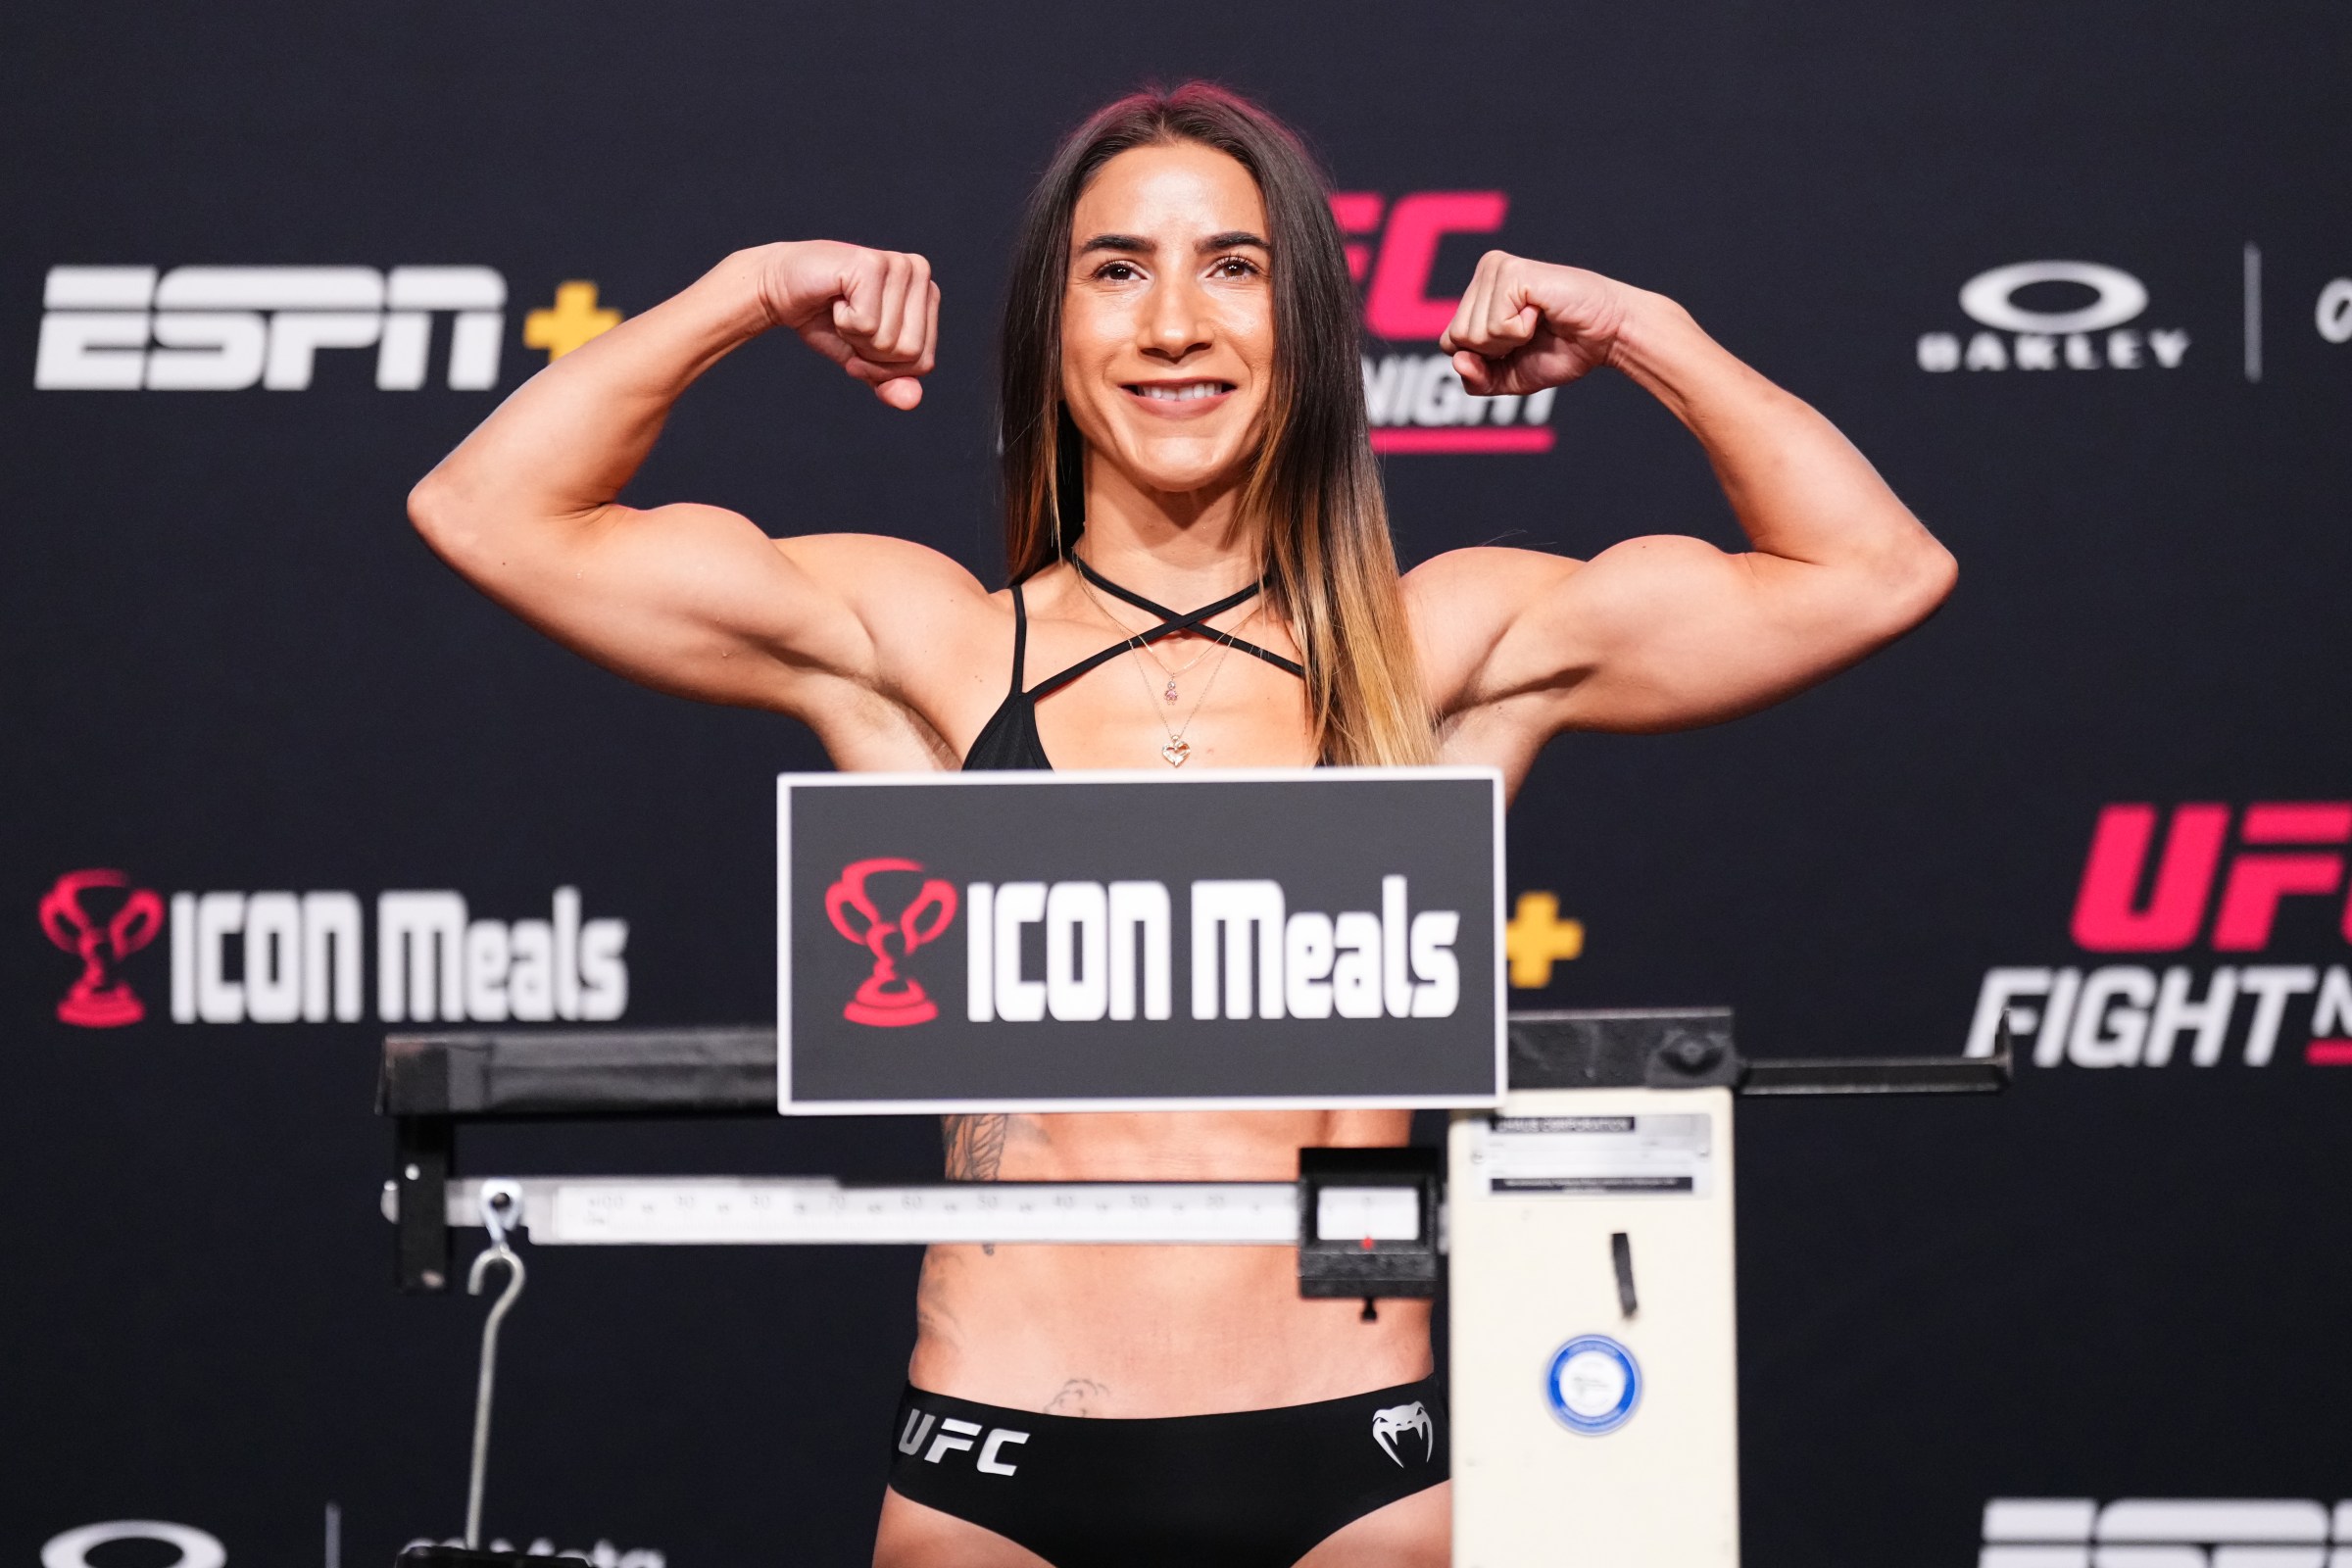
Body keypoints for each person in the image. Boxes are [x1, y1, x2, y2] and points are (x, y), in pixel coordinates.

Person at [409, 82, 1953, 1568]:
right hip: (996, 1458)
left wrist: (1639, 334)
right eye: (1116, 271)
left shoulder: (1437, 655)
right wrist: (747, 291)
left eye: (1234, 268)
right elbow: (492, 512)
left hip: (1357, 1464)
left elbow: (1869, 572)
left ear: (1310, 328)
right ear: (1053, 330)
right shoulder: (932, 653)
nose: (1172, 324)